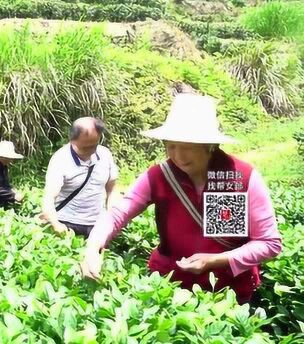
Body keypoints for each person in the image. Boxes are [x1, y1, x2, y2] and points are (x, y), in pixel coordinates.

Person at [80, 93, 282, 304]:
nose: (178, 156)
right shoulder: (160, 175)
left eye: (187, 147)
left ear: (210, 146)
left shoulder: (240, 177)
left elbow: (269, 243)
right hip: (170, 288)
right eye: (171, 146)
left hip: (228, 295)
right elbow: (118, 214)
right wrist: (93, 248)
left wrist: (215, 260)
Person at [41, 117, 119, 237]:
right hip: (67, 223)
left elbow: (112, 190)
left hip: (97, 225)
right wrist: (56, 225)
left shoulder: (105, 154)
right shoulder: (60, 159)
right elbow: (48, 198)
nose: (91, 151)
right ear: (72, 140)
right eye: (85, 147)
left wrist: (112, 219)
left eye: (94, 145)